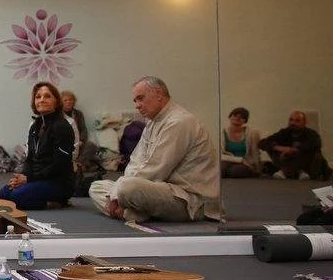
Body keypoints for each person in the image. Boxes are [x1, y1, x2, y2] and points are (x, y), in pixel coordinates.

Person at [89, 76, 220, 223]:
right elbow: (136, 160)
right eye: (135, 101)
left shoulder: (179, 121)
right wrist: (119, 189)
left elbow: (156, 169)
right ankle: (134, 212)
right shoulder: (153, 122)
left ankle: (130, 212)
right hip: (158, 189)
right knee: (96, 187)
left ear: (158, 94)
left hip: (188, 199)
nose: (137, 106)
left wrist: (118, 192)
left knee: (126, 188)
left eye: (140, 98)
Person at [0, 82, 75, 210]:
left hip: (59, 182)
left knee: (17, 197)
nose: (42, 100)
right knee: (4, 192)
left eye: (47, 96)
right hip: (38, 179)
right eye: (38, 97)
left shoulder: (62, 127)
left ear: (56, 101)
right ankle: (40, 196)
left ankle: (56, 202)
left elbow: (60, 164)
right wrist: (21, 178)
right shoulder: (35, 126)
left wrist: (28, 179)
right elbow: (30, 159)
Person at [259, 111, 328, 180]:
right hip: (285, 160)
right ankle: (296, 172)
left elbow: (314, 144)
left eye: (297, 121)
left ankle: (287, 171)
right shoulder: (284, 132)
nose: (293, 123)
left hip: (303, 163)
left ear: (304, 123)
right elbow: (262, 143)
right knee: (271, 147)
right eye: (291, 120)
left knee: (313, 151)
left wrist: (292, 151)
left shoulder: (311, 134)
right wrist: (280, 148)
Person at [61, 90, 99, 169]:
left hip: (78, 143)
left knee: (91, 146)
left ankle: (79, 164)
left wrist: (81, 140)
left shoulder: (78, 114)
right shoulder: (58, 115)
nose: (68, 102)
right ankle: (79, 165)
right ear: (61, 102)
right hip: (65, 144)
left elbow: (83, 130)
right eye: (65, 100)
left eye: (71, 99)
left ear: (74, 101)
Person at [220, 107, 262, 178]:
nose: (237, 118)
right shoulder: (221, 133)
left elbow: (255, 152)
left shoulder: (252, 133)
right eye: (235, 115)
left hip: (246, 163)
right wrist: (240, 160)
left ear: (245, 121)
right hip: (228, 160)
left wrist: (257, 169)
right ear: (230, 117)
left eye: (242, 117)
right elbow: (219, 154)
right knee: (220, 169)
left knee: (236, 171)